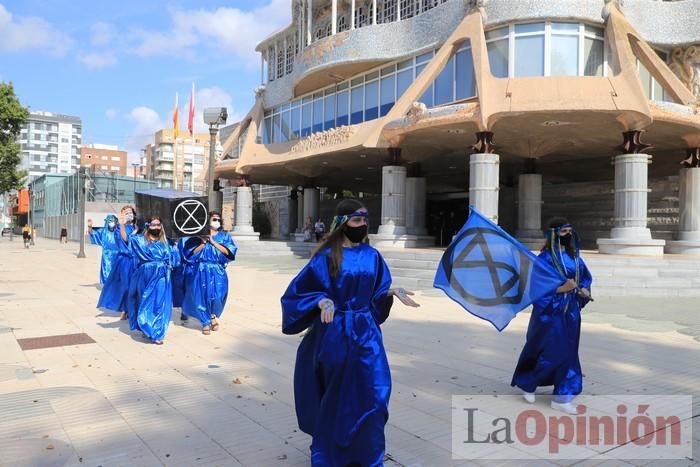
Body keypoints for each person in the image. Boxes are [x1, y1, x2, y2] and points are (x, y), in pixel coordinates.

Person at [281, 199, 419, 466]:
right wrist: (322, 300)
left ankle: (368, 456)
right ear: (343, 223)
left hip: (367, 334)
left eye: (365, 220)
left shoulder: (372, 255)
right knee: (338, 398)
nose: (363, 225)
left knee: (375, 394)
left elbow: (377, 291)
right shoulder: (325, 257)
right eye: (357, 221)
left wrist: (390, 292)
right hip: (335, 335)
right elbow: (298, 293)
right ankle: (332, 456)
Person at [511, 218, 593, 415]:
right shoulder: (545, 259)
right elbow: (535, 287)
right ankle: (528, 383)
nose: (569, 235)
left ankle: (562, 395)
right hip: (549, 313)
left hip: (570, 312)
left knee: (569, 352)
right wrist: (560, 289)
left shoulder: (575, 258)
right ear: (555, 234)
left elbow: (584, 277)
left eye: (570, 231)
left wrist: (584, 289)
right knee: (545, 350)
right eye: (564, 231)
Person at [181, 211, 237, 335]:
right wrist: (203, 242)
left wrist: (214, 242)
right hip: (200, 269)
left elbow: (229, 252)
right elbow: (189, 254)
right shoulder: (197, 237)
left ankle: (213, 314)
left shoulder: (225, 237)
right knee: (201, 296)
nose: (215, 222)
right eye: (213, 219)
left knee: (218, 296)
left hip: (217, 270)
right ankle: (205, 322)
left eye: (218, 219)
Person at [128, 216, 173, 345]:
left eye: (158, 224)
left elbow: (172, 259)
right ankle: (146, 325)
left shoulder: (165, 242)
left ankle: (157, 333)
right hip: (146, 274)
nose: (156, 227)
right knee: (145, 301)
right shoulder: (140, 240)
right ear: (148, 226)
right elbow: (127, 241)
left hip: (162, 274)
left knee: (159, 303)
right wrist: (128, 227)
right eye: (153, 225)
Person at [96, 205, 139, 320]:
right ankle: (125, 309)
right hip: (125, 262)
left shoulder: (139, 227)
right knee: (125, 287)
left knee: (136, 288)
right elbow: (125, 239)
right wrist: (122, 224)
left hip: (138, 261)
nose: (128, 214)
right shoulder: (120, 228)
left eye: (130, 212)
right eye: (126, 212)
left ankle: (132, 309)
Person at [88, 215, 121, 287]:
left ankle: (116, 285)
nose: (111, 223)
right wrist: (90, 227)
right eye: (110, 221)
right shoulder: (103, 232)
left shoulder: (119, 231)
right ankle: (105, 285)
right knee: (106, 270)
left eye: (113, 221)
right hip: (106, 255)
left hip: (117, 254)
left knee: (116, 270)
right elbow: (93, 233)